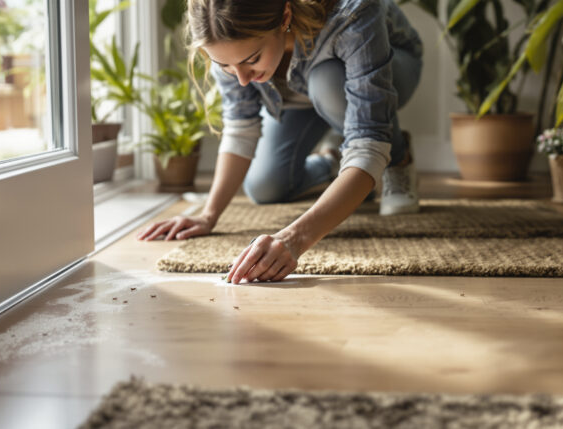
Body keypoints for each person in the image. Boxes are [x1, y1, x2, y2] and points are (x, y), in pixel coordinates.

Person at [137, 0, 423, 284]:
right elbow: (240, 129)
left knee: (326, 83)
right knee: (265, 187)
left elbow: (368, 141)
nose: (243, 79)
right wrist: (207, 216)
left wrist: (294, 238)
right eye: (225, 65)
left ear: (285, 15)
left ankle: (399, 158)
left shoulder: (352, 12)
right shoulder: (222, 37)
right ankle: (336, 161)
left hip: (386, 68)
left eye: (251, 60)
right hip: (299, 99)